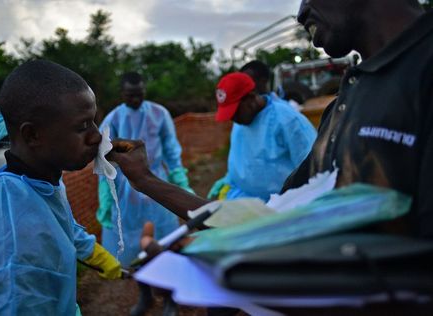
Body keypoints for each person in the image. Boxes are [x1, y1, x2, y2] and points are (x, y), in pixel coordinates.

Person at [106, 0, 432, 312]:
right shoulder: (345, 102)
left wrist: (231, 277)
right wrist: (146, 181)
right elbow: (272, 220)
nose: (301, 12)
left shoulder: (421, 76)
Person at [0, 60, 122, 315]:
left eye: (93, 121)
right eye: (82, 126)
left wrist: (93, 253)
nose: (96, 136)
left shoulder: (38, 183)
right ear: (32, 135)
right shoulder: (13, 249)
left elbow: (60, 224)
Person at [96, 71, 193, 315]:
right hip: (125, 191)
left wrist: (181, 183)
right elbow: (104, 162)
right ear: (121, 94)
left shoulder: (159, 114)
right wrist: (106, 199)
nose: (136, 99)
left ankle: (171, 297)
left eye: (139, 94)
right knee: (135, 251)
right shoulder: (113, 118)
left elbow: (172, 151)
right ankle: (145, 294)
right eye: (130, 95)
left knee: (165, 244)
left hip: (156, 185)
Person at [207, 66, 316, 201]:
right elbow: (241, 157)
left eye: (235, 112)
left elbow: (313, 167)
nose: (232, 118)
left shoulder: (288, 121)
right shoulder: (241, 121)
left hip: (281, 205)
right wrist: (230, 178)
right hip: (244, 200)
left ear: (251, 98)